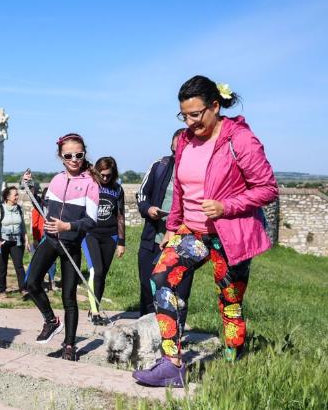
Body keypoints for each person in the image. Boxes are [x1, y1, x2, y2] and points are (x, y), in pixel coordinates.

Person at [133, 76, 278, 388]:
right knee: (161, 279)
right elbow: (180, 190)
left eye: (195, 114)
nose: (190, 122)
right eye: (184, 115)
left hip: (230, 234)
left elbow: (267, 189)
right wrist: (172, 228)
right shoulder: (186, 140)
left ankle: (232, 365)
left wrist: (226, 206)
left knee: (230, 299)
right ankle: (171, 364)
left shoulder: (240, 139)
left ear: (215, 106)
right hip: (192, 231)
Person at [24, 133, 100, 361]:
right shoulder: (56, 179)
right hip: (50, 241)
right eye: (68, 156)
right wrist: (30, 188)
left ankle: (69, 346)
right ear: (60, 156)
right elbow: (44, 207)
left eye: (79, 155)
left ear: (84, 154)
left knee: (69, 297)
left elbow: (91, 221)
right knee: (31, 283)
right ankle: (50, 320)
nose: (74, 159)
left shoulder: (90, 183)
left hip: (70, 245)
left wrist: (67, 226)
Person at [136, 129, 195, 329]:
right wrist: (148, 209)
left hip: (183, 241)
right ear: (171, 146)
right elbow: (141, 195)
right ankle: (146, 332)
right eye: (177, 147)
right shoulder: (159, 166)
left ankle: (174, 334)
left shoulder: (199, 171)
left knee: (178, 292)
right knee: (148, 286)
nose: (180, 151)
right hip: (153, 237)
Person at [82, 156, 126, 326]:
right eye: (102, 175)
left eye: (109, 175)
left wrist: (121, 241)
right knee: (96, 271)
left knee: (102, 275)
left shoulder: (117, 189)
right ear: (97, 172)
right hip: (91, 234)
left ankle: (94, 307)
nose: (105, 178)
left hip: (110, 235)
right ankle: (95, 313)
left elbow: (120, 216)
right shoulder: (90, 186)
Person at [0, 186, 29, 297]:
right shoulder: (0, 209)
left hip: (17, 241)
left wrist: (26, 240)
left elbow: (23, 226)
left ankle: (23, 289)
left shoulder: (19, 209)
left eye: (17, 194)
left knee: (19, 266)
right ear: (8, 197)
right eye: (15, 195)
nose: (17, 196)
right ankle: (2, 290)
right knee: (2, 266)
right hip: (3, 241)